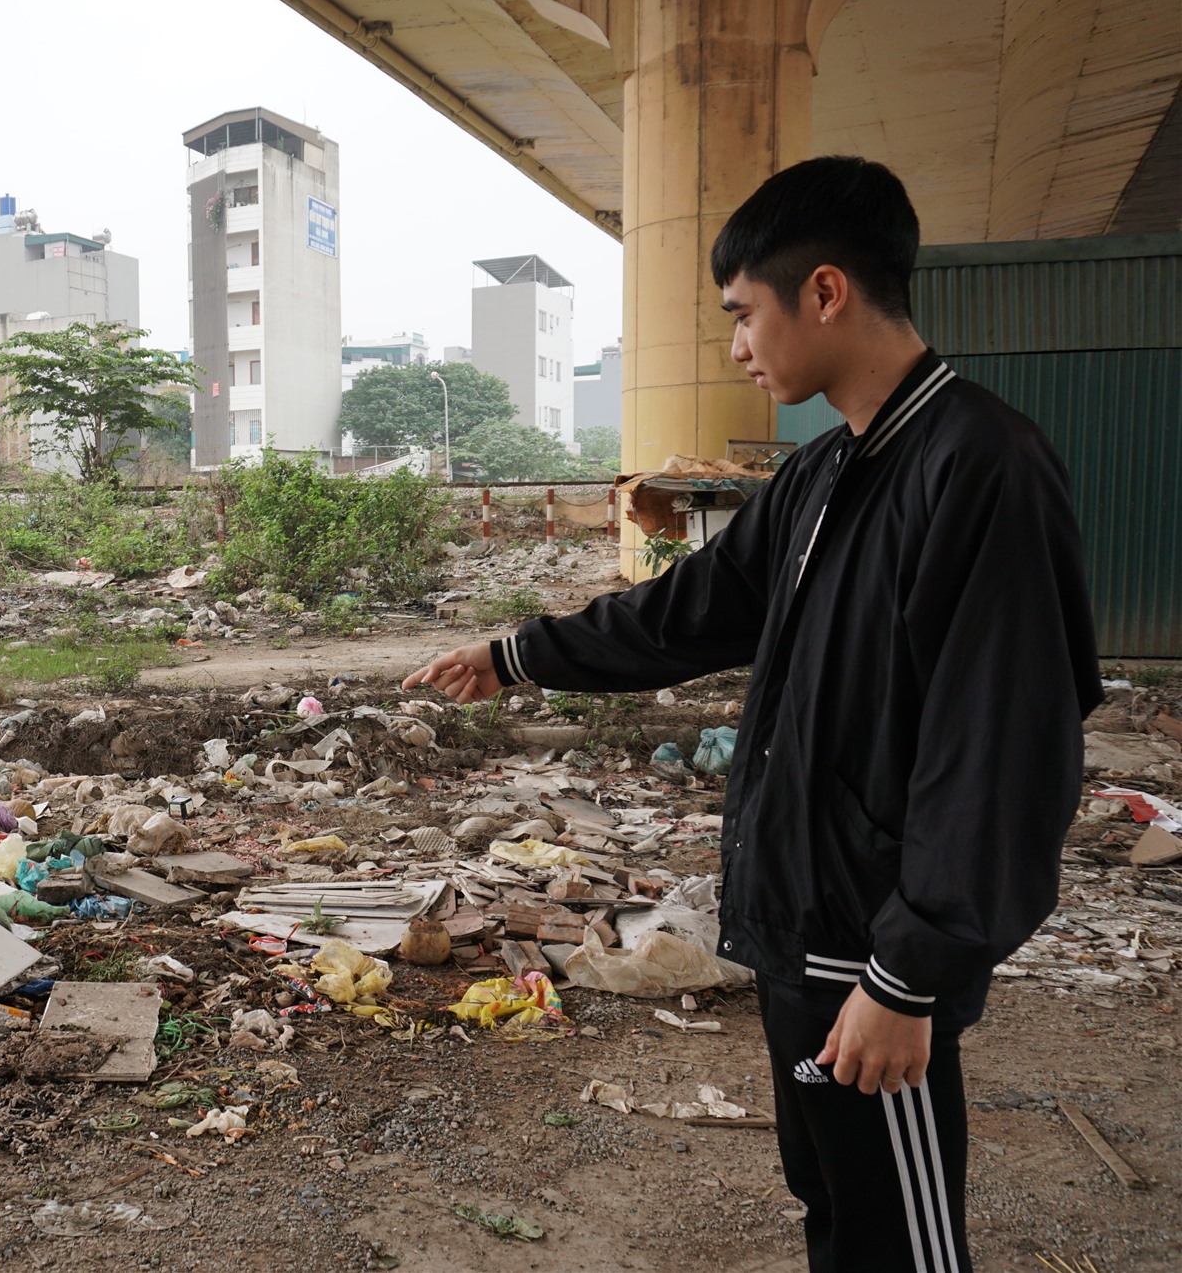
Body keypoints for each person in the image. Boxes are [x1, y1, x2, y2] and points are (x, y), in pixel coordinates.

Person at [404, 156, 1099, 1273]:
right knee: (831, 1200)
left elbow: (1004, 750)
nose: (734, 343)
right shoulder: (823, 472)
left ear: (823, 292)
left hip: (877, 944)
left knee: (900, 1239)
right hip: (798, 922)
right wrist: (518, 653)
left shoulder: (979, 467)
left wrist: (908, 972)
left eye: (741, 313)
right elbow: (686, 613)